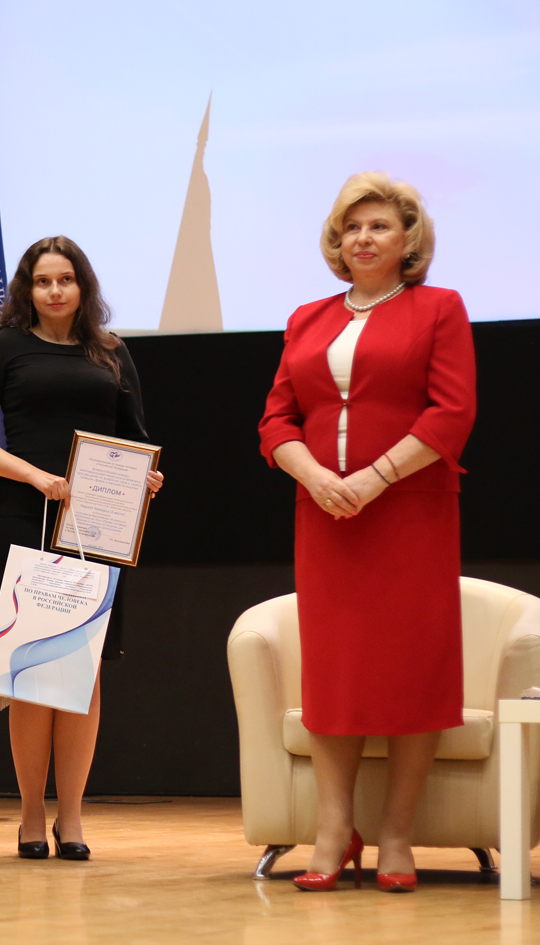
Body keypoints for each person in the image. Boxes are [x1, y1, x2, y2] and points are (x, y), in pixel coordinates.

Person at [259, 172, 475, 893]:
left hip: (411, 514)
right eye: (351, 227)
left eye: (379, 225)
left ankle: (396, 834)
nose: (363, 238)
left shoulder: (439, 308)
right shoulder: (306, 319)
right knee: (334, 671)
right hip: (326, 519)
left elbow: (451, 412)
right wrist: (317, 478)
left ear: (408, 239)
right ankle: (333, 832)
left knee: (412, 668)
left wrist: (374, 478)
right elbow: (276, 421)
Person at [0, 236, 163, 861]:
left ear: (82, 286)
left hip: (96, 528)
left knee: (83, 669)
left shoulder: (111, 352)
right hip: (26, 517)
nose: (54, 291)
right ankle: (30, 815)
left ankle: (70, 817)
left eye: (65, 279)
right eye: (43, 280)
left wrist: (146, 479)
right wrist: (37, 478)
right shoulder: (5, 347)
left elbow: (135, 440)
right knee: (30, 671)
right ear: (27, 288)